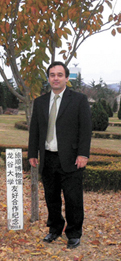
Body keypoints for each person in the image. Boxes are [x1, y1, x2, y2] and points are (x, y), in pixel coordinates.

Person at [28, 61, 92, 249]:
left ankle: (73, 232)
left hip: (72, 158)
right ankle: (55, 229)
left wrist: (83, 154)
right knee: (51, 197)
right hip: (48, 158)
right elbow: (35, 130)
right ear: (48, 78)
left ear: (66, 78)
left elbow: (85, 130)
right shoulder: (39, 102)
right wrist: (33, 152)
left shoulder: (79, 100)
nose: (55, 78)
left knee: (73, 198)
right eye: (52, 75)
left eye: (59, 75)